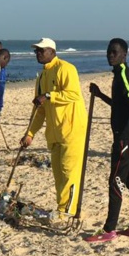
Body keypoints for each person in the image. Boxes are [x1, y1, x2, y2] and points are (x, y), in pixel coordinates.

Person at [20, 38, 87, 220]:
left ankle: (68, 211)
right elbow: (40, 111)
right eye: (36, 51)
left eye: (41, 50)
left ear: (52, 51)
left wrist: (48, 95)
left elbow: (73, 94)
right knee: (58, 174)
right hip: (54, 132)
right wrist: (30, 134)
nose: (38, 54)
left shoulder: (66, 68)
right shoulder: (41, 77)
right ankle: (62, 207)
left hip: (72, 130)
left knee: (69, 172)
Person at [85, 38, 129, 243]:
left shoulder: (124, 75)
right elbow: (121, 105)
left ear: (124, 55)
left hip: (126, 138)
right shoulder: (119, 75)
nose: (111, 55)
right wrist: (100, 95)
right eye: (109, 52)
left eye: (115, 52)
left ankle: (109, 229)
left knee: (115, 181)